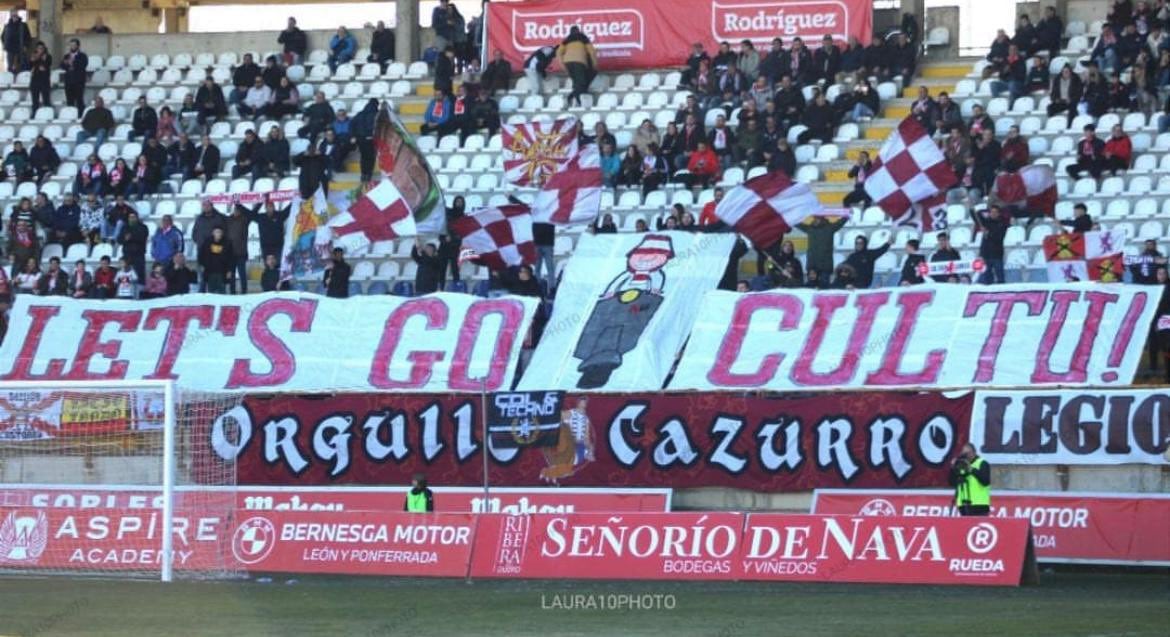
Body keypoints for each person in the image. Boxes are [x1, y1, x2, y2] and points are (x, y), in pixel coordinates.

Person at [558, 27, 598, 107]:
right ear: (578, 31)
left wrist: (563, 65)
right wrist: (594, 63)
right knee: (582, 83)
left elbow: (559, 53)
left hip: (567, 62)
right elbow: (592, 51)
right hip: (579, 61)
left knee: (577, 83)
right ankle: (572, 97)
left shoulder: (566, 40)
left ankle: (574, 99)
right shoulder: (583, 37)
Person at [948, 443, 991, 516]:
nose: (967, 456)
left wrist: (971, 469)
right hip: (963, 504)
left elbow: (986, 481)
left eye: (968, 453)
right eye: (964, 454)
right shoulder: (961, 464)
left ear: (974, 452)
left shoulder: (982, 463)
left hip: (979, 504)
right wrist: (953, 468)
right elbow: (952, 482)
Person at [976, 206, 1009, 284]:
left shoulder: (1002, 224)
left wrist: (988, 233)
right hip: (986, 254)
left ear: (998, 214)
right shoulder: (986, 222)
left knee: (1000, 277)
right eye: (991, 212)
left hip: (997, 254)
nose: (993, 214)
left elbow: (999, 237)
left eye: (995, 212)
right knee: (986, 278)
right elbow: (976, 214)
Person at [225, 205, 252, 294]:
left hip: (241, 252)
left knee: (242, 274)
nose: (236, 211)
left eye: (238, 210)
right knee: (231, 274)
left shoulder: (245, 220)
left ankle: (244, 292)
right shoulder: (228, 220)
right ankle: (232, 292)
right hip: (230, 253)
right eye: (235, 209)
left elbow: (253, 212)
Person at [198, 226, 233, 294]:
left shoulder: (227, 243)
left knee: (222, 292)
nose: (218, 234)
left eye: (220, 232)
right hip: (210, 271)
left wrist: (229, 270)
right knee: (211, 292)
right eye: (217, 232)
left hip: (222, 272)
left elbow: (230, 258)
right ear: (213, 233)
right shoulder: (207, 242)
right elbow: (201, 255)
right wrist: (202, 265)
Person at [60, 38, 89, 112]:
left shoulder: (83, 56)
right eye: (71, 45)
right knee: (69, 101)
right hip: (68, 81)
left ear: (78, 46)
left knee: (79, 100)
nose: (72, 47)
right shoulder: (66, 56)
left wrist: (73, 63)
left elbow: (83, 65)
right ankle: (71, 114)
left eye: (74, 45)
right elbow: (62, 65)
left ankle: (80, 116)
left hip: (78, 81)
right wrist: (66, 64)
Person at [120, 211, 149, 281]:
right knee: (127, 276)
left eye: (133, 217)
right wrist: (125, 239)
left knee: (139, 275)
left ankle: (140, 290)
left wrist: (131, 237)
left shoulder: (143, 227)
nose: (131, 219)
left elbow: (142, 237)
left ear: (137, 218)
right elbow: (119, 239)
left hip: (138, 255)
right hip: (127, 255)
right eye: (130, 217)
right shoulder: (124, 227)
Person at [28, 41, 51, 111]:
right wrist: (34, 59)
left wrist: (42, 60)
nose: (40, 50)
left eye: (41, 48)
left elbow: (46, 66)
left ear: (44, 49)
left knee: (46, 99)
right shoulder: (33, 56)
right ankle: (34, 112)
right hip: (35, 80)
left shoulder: (48, 56)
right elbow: (29, 66)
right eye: (38, 48)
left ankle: (47, 113)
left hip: (44, 81)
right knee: (35, 100)